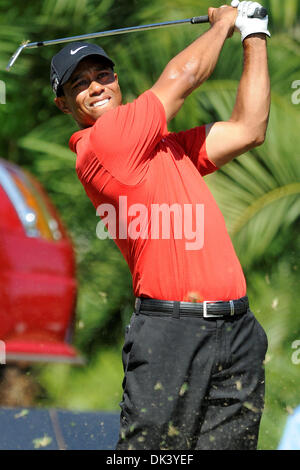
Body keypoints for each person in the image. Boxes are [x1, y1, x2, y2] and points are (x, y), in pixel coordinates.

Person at [51, 0, 270, 450]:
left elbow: (249, 129)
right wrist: (226, 23)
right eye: (79, 84)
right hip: (172, 333)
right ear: (64, 105)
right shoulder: (104, 144)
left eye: (103, 75)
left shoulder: (161, 147)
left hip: (238, 329)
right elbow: (183, 77)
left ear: (116, 79)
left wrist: (255, 37)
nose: (96, 87)